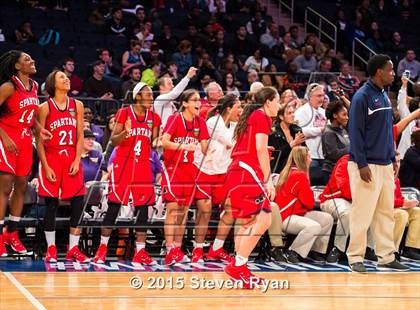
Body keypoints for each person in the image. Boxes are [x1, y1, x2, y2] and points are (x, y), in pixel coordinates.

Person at [347, 54, 409, 272]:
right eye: (390, 69)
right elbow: (355, 133)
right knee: (362, 213)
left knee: (386, 213)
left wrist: (393, 157)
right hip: (365, 165)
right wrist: (362, 164)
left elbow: (386, 134)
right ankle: (355, 257)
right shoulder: (361, 97)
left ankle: (386, 255)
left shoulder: (383, 96)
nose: (394, 73)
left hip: (384, 164)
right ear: (378, 72)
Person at [93, 82, 161, 265]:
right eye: (148, 95)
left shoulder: (154, 118)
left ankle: (141, 252)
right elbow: (114, 141)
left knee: (143, 209)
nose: (151, 98)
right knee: (114, 206)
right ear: (137, 96)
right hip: (123, 165)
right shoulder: (124, 113)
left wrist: (160, 141)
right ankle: (102, 250)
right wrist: (126, 132)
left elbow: (154, 144)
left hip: (143, 166)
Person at [223, 87, 281, 288]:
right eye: (277, 101)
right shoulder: (262, 117)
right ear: (268, 102)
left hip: (237, 171)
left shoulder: (254, 115)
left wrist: (265, 149)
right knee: (265, 218)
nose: (279, 106)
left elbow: (256, 147)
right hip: (247, 172)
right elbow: (258, 150)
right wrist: (268, 180)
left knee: (248, 222)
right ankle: (238, 266)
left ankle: (240, 266)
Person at [0, 50, 51, 257]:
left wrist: (39, 129)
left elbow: (30, 116)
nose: (32, 61)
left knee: (22, 186)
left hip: (24, 141)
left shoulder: (35, 86)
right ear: (18, 66)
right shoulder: (8, 87)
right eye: (27, 59)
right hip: (7, 141)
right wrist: (4, 137)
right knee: (4, 188)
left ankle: (11, 233)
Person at [36, 70, 88, 263]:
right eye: (61, 77)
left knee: (77, 203)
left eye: (66, 77)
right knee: (51, 204)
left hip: (71, 157)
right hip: (52, 158)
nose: (66, 79)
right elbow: (39, 141)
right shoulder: (45, 107)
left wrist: (77, 160)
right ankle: (51, 248)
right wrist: (46, 166)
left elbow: (80, 135)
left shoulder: (78, 105)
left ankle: (73, 249)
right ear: (52, 83)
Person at [161, 89, 209, 265]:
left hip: (190, 171)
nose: (199, 103)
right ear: (185, 103)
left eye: (199, 100)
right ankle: (169, 250)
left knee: (183, 213)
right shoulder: (175, 119)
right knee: (173, 210)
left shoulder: (200, 122)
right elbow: (163, 142)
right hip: (173, 169)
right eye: (195, 100)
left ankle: (178, 250)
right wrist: (183, 146)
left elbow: (204, 147)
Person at [193, 94, 242, 263]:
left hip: (222, 173)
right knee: (205, 211)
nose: (240, 111)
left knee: (231, 209)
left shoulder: (235, 125)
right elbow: (231, 142)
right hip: (204, 170)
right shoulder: (214, 122)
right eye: (238, 107)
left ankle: (216, 248)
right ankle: (198, 249)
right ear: (229, 108)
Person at [275, 146, 334, 263]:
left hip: (290, 214)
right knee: (314, 226)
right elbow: (309, 203)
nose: (311, 159)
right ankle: (292, 252)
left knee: (327, 219)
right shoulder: (300, 176)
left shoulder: (288, 171)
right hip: (285, 217)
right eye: (309, 156)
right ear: (303, 159)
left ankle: (314, 250)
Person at [295, 83, 327, 185]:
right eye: (318, 96)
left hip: (324, 155)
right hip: (309, 155)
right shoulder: (301, 111)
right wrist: (320, 130)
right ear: (310, 97)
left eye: (322, 95)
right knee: (310, 183)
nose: (321, 98)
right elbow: (299, 131)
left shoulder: (324, 112)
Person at [268, 102, 305, 174]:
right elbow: (275, 155)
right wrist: (292, 144)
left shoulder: (297, 130)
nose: (293, 115)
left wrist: (299, 145)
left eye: (293, 112)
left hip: (296, 167)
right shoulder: (273, 133)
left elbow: (304, 150)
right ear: (281, 117)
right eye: (289, 113)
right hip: (279, 169)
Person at [321, 100, 349, 180]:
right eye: (344, 115)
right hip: (331, 173)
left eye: (347, 115)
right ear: (335, 115)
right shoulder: (328, 133)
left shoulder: (343, 130)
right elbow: (334, 155)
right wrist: (353, 147)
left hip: (342, 171)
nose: (347, 118)